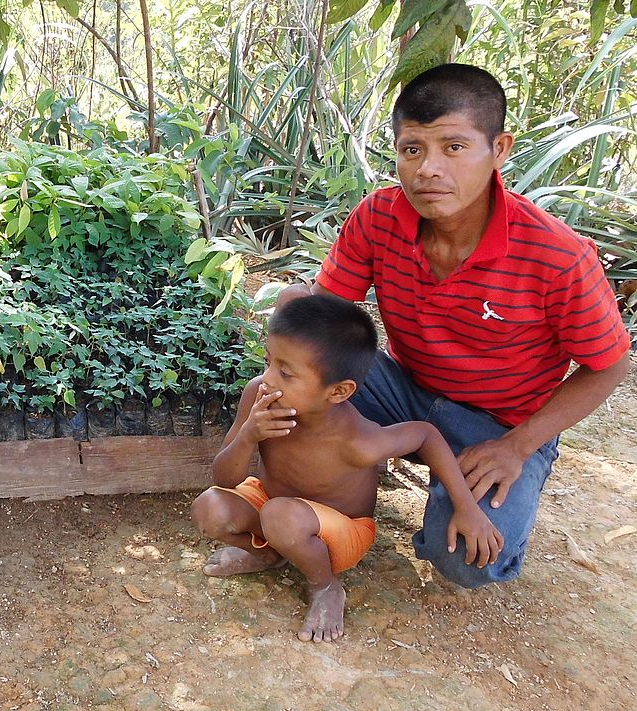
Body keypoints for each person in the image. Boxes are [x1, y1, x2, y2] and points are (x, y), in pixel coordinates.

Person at [294, 63, 630, 589]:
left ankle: (459, 479)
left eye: (453, 147)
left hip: (500, 424)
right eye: (412, 149)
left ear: (499, 150)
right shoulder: (379, 217)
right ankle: (348, 488)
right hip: (404, 391)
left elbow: (608, 367)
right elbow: (325, 317)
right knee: (295, 382)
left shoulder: (556, 255)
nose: (428, 168)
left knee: (468, 558)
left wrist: (517, 446)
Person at [192, 295, 501, 642]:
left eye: (285, 373)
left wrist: (465, 506)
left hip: (338, 533)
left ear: (338, 391)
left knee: (282, 516)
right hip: (274, 505)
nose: (268, 379)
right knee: (210, 507)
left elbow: (426, 435)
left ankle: (325, 587)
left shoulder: (358, 441)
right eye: (268, 362)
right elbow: (224, 479)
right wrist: (249, 434)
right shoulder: (258, 398)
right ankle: (270, 555)